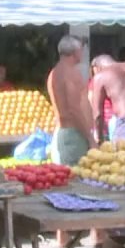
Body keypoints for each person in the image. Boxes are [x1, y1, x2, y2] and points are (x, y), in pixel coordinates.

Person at [46, 34, 95, 165]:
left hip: (68, 133)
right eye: (82, 49)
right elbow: (74, 109)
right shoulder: (70, 73)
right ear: (75, 51)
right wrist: (90, 138)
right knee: (75, 174)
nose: (83, 52)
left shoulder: (55, 72)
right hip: (74, 134)